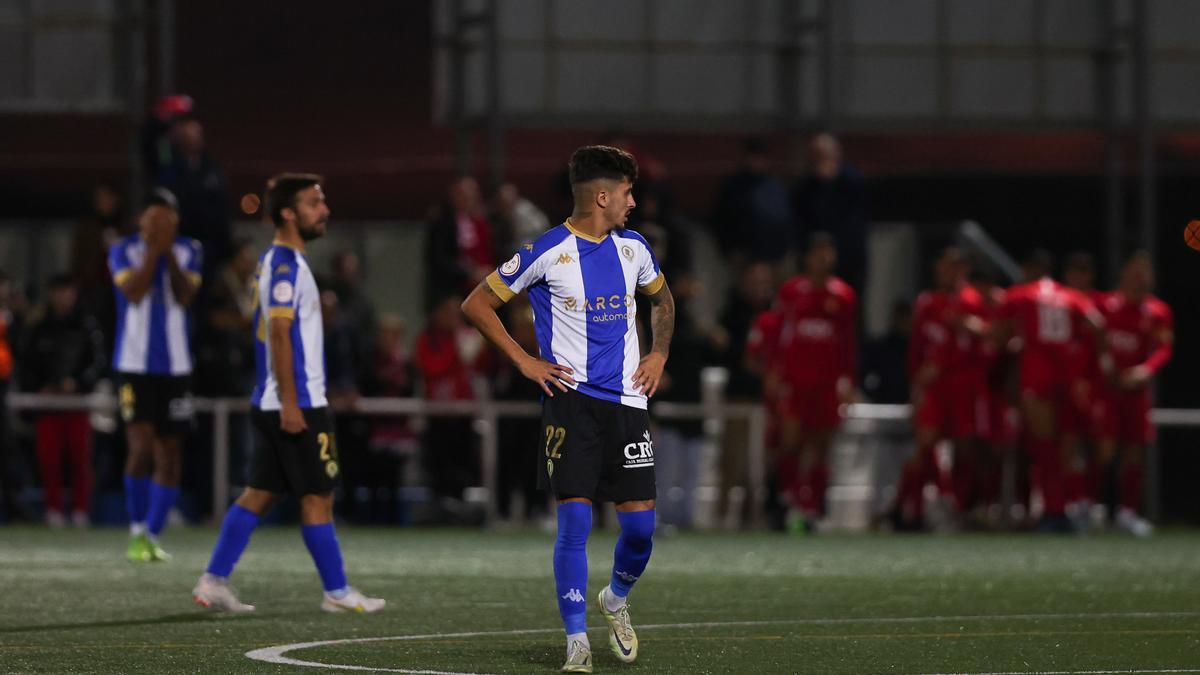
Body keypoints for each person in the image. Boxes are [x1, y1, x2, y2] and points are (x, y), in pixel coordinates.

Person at [461, 145, 674, 672]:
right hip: (570, 404)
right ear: (602, 196)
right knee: (574, 526)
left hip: (627, 404)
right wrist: (525, 361)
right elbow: (477, 304)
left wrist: (659, 353)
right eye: (626, 192)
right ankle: (576, 638)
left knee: (641, 532)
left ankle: (616, 600)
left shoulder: (635, 249)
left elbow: (663, 301)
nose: (632, 201)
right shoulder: (547, 251)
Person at [192, 173, 384, 613]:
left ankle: (213, 580)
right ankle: (336, 592)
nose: (325, 210)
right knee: (318, 496)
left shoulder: (284, 262)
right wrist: (294, 403)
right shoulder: (283, 265)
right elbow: (279, 334)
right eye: (314, 203)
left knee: (259, 492)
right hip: (295, 403)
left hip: (276, 399)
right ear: (287, 213)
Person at [109, 189, 202, 562]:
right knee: (141, 445)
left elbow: (185, 296)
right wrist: (153, 251)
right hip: (134, 365)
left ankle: (153, 532)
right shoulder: (122, 250)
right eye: (154, 219)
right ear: (141, 221)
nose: (161, 226)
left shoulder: (190, 250)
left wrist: (167, 253)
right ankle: (135, 531)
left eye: (167, 220)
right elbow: (133, 292)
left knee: (170, 454)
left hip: (177, 367)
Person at [995, 250, 1107, 533]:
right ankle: (1074, 506)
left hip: (1038, 375)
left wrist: (1011, 346)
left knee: (1044, 448)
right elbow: (1097, 325)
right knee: (1067, 448)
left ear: (1029, 269)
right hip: (1068, 376)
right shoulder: (1071, 296)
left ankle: (1055, 511)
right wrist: (1091, 359)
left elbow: (997, 331)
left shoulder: (1022, 293)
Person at [770, 232, 857, 531]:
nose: (824, 258)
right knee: (792, 441)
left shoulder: (843, 295)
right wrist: (775, 372)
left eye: (828, 252)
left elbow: (848, 342)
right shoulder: (792, 291)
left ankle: (814, 507)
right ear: (808, 258)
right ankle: (788, 498)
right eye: (818, 252)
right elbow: (779, 334)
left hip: (827, 383)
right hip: (796, 381)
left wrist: (848, 381)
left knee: (821, 445)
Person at [1094, 251, 1172, 536]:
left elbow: (1164, 348)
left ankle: (1127, 511)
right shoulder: (1105, 304)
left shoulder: (1157, 311)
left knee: (1134, 450)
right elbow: (1095, 340)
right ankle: (1096, 507)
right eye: (1136, 271)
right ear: (1124, 273)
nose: (1141, 278)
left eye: (1145, 272)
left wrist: (1146, 370)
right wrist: (1104, 367)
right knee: (1104, 449)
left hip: (1136, 390)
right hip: (1107, 389)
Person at [21, 275, 107, 527]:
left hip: (77, 403)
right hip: (47, 404)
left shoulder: (87, 323)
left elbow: (97, 361)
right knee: (49, 460)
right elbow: (28, 362)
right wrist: (41, 386)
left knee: (80, 459)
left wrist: (78, 383)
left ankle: (81, 510)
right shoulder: (39, 324)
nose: (63, 296)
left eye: (67, 291)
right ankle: (53, 509)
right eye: (58, 291)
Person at [793, 133, 869, 293]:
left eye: (823, 155)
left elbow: (853, 221)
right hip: (814, 263)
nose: (819, 161)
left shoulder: (852, 181)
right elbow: (802, 221)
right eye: (815, 156)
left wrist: (829, 182)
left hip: (848, 260)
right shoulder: (806, 187)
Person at [710, 137, 793, 269]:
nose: (757, 162)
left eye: (760, 157)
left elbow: (786, 218)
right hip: (744, 257)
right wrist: (729, 250)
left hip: (775, 255)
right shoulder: (733, 187)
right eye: (754, 157)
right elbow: (720, 220)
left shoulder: (775, 185)